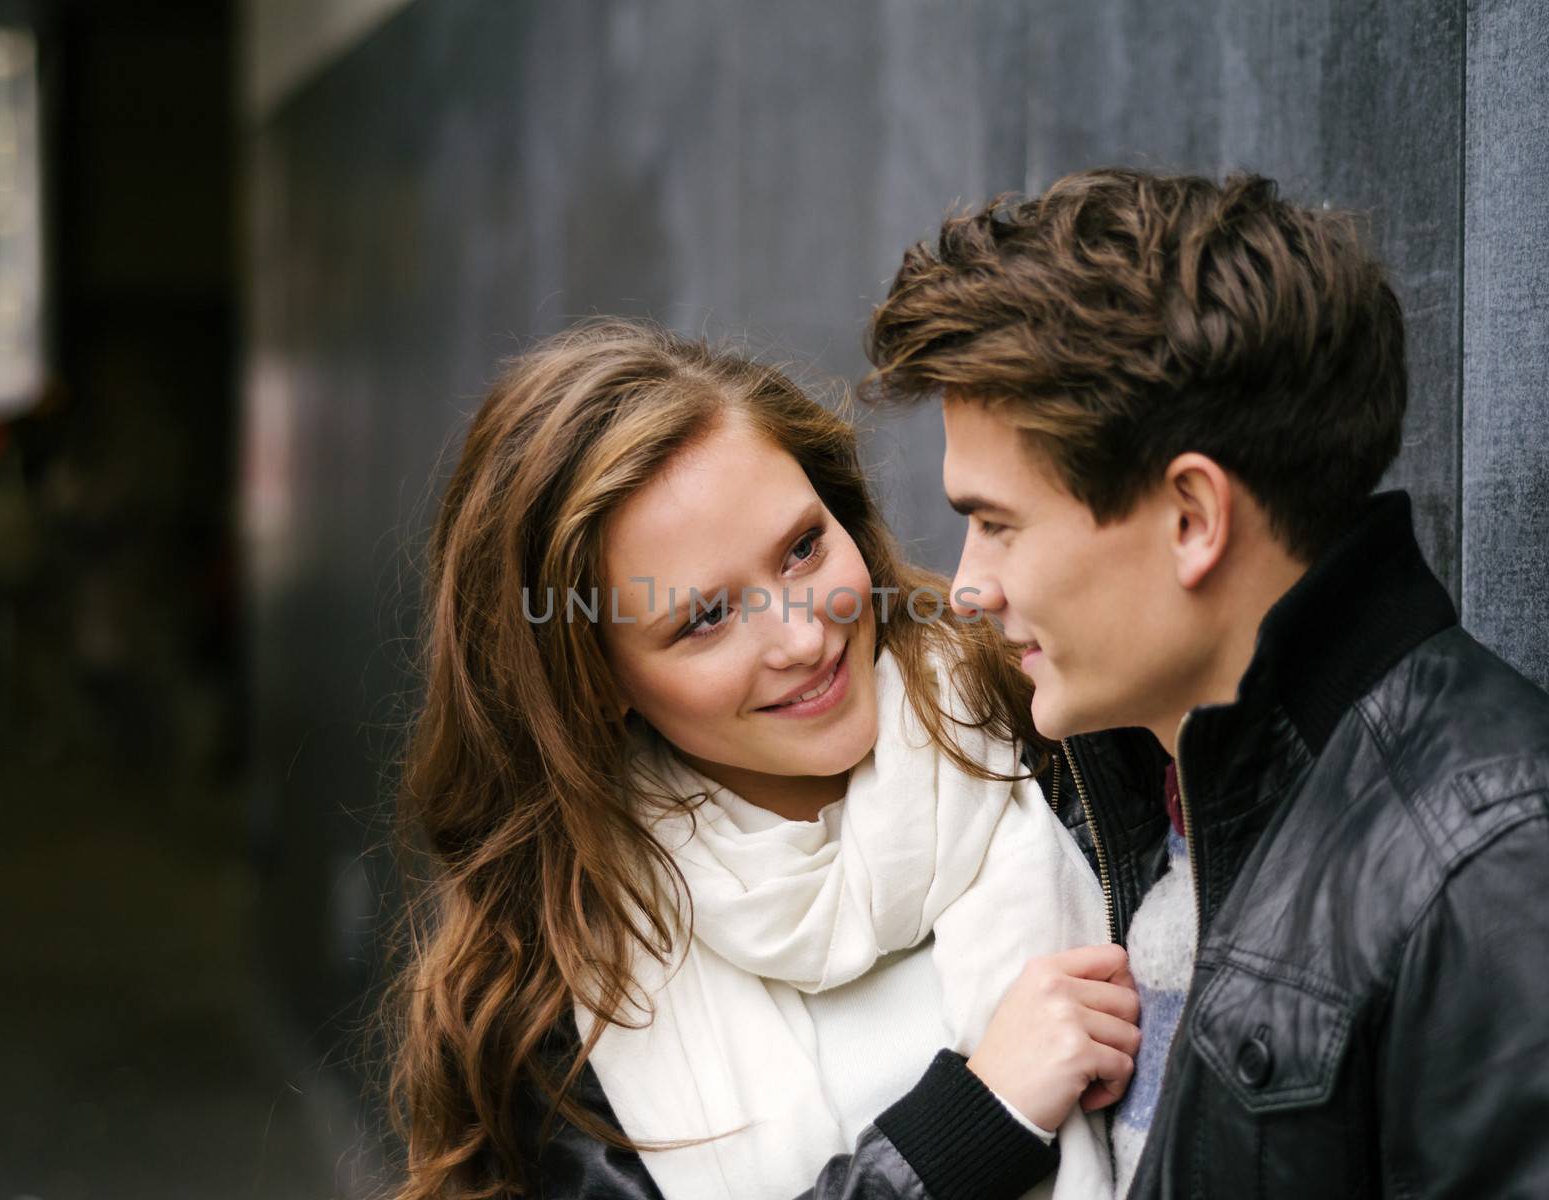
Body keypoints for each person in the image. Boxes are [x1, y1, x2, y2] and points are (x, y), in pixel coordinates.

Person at [862, 166, 1549, 1197]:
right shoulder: (1124, 800)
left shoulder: (1489, 869)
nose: (964, 587)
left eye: (998, 524)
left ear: (1192, 518)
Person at [382, 318, 1142, 1200]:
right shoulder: (556, 1002)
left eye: (803, 548)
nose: (805, 636)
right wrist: (980, 1117)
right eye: (704, 618)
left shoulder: (1052, 727)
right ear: (595, 682)